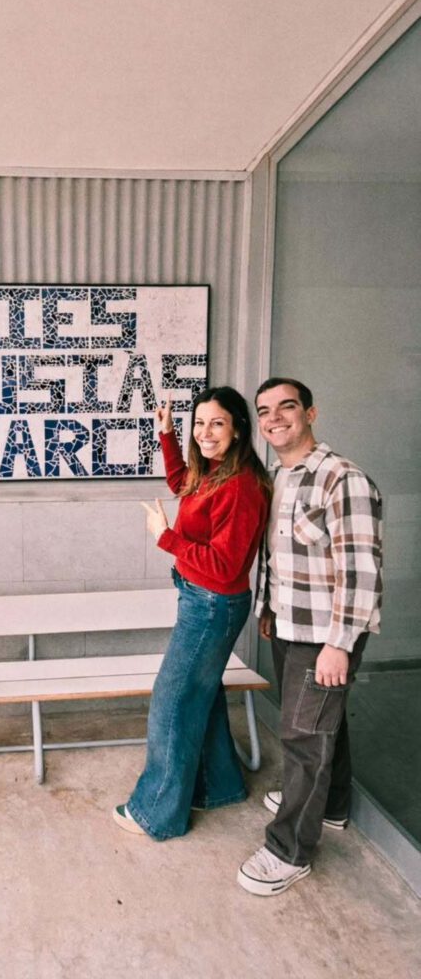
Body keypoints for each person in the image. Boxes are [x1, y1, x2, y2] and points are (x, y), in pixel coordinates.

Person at [237, 377, 382, 896]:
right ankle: (335, 804)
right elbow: (280, 555)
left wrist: (340, 644)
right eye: (264, 410)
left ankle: (289, 850)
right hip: (290, 623)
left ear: (311, 414)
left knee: (303, 738)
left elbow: (361, 571)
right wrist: (267, 608)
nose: (274, 417)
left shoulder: (342, 479)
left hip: (325, 634)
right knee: (323, 725)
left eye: (287, 407)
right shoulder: (280, 476)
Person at [113, 387, 271, 840]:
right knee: (201, 695)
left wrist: (167, 537)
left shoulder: (241, 486)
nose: (205, 433)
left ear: (238, 429)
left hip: (212, 604)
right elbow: (181, 482)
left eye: (216, 424)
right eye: (199, 424)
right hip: (201, 600)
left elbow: (224, 565)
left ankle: (155, 812)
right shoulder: (217, 473)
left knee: (173, 701)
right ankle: (219, 786)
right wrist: (167, 433)